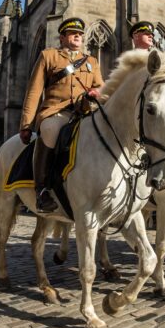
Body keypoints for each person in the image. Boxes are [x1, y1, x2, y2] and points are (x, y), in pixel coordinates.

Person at [20, 17, 103, 212]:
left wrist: (96, 94)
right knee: (50, 130)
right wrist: (26, 125)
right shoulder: (48, 56)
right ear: (62, 37)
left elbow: (100, 87)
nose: (78, 36)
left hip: (84, 112)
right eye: (73, 33)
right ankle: (41, 190)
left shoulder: (92, 61)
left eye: (80, 34)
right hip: (55, 111)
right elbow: (33, 92)